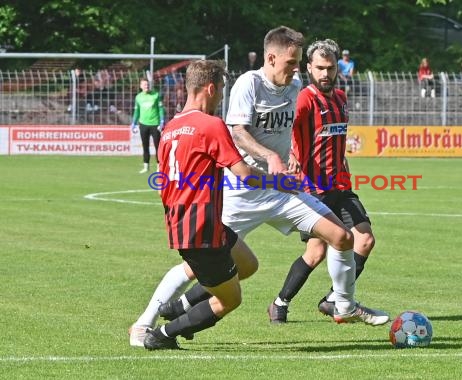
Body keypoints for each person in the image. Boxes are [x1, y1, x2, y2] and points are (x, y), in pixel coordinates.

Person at [129, 26, 387, 347]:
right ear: (271, 57)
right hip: (242, 193)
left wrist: (289, 155)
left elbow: (289, 129)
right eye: (291, 62)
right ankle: (145, 322)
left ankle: (344, 305)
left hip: (280, 189)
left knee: (343, 236)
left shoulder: (294, 86)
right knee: (213, 267)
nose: (296, 69)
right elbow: (238, 132)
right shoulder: (248, 84)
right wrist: (269, 157)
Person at [143, 59, 294, 350]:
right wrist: (281, 182)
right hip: (202, 230)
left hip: (193, 224)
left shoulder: (170, 128)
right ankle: (163, 335)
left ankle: (180, 306)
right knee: (230, 300)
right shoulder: (211, 125)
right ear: (210, 88)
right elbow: (245, 175)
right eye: (222, 91)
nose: (222, 98)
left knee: (247, 265)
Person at [267, 38, 388, 325]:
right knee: (316, 251)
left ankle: (334, 299)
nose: (325, 74)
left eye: (330, 68)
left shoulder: (341, 99)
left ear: (337, 68)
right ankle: (279, 303)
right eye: (319, 68)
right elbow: (286, 129)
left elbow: (336, 139)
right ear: (308, 68)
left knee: (365, 239)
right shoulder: (304, 99)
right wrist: (291, 155)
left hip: (340, 185)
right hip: (313, 188)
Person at [130, 78, 165, 173]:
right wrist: (134, 122)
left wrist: (162, 121)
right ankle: (146, 166)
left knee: (158, 146)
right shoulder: (138, 97)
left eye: (148, 84)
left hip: (155, 124)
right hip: (143, 124)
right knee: (145, 146)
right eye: (145, 84)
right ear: (141, 86)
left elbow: (161, 109)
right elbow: (136, 111)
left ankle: (159, 166)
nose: (147, 86)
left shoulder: (156, 95)